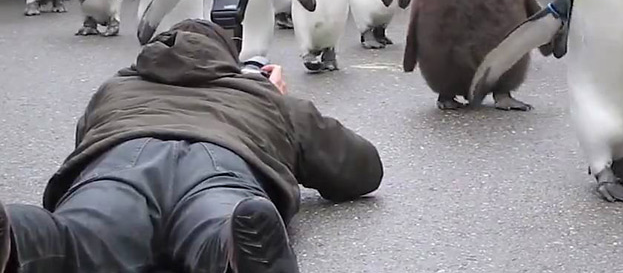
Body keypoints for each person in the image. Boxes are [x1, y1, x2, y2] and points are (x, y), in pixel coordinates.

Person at [0, 19, 383, 272]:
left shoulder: (116, 87)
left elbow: (86, 140)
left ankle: (20, 236)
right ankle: (233, 245)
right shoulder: (263, 96)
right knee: (218, 222)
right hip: (222, 163)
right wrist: (276, 97)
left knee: (82, 231)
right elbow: (361, 169)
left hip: (121, 159)